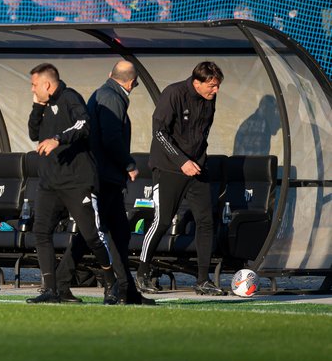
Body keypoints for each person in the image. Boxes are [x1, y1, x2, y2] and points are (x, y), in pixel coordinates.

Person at [53, 61, 151, 304]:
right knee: (93, 234)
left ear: (110, 75)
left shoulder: (104, 93)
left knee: (117, 233)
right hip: (104, 177)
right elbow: (111, 137)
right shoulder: (112, 98)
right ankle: (61, 284)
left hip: (105, 177)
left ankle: (127, 291)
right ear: (132, 82)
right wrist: (128, 164)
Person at [25, 63, 118, 304]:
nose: (32, 89)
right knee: (41, 232)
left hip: (76, 181)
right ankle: (52, 290)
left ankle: (111, 284)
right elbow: (34, 134)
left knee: (91, 236)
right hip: (50, 182)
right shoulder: (42, 104)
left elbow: (83, 125)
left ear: (46, 83)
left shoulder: (70, 97)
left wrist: (58, 138)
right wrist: (37, 107)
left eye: (34, 85)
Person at [136, 61, 227, 296]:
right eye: (212, 86)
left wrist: (197, 160)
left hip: (197, 168)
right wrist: (182, 161)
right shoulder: (173, 93)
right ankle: (142, 274)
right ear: (197, 82)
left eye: (217, 86)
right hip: (169, 167)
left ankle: (203, 280)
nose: (215, 91)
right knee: (163, 220)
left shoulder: (209, 99)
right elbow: (159, 132)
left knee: (206, 221)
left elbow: (202, 132)